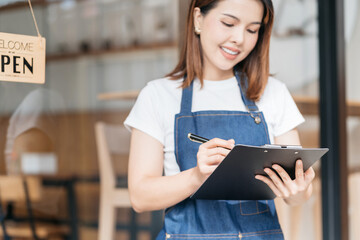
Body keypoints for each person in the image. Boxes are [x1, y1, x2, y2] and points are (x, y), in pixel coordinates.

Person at [124, 0, 315, 239]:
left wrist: (297, 189)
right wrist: (196, 176)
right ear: (198, 19)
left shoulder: (274, 93)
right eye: (228, 23)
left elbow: (297, 195)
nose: (239, 39)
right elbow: (140, 197)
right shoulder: (157, 96)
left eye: (252, 29)